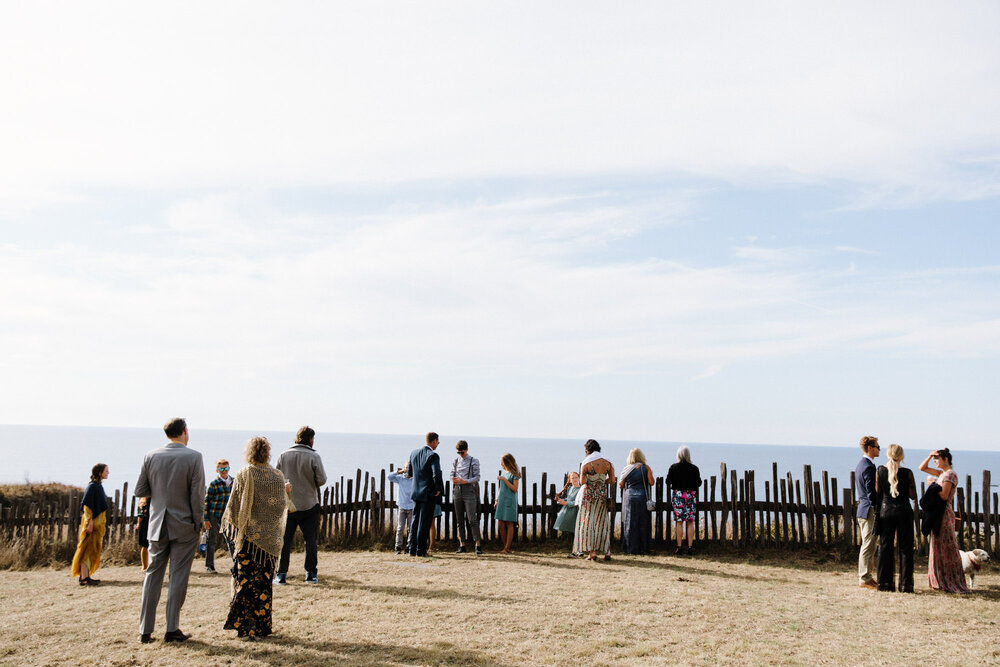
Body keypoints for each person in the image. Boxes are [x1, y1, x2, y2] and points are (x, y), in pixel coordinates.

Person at [136, 418, 206, 644]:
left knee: (152, 575)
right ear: (185, 431)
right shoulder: (194, 457)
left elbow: (141, 490)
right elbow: (197, 496)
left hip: (157, 525)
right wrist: (198, 522)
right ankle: (171, 628)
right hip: (184, 525)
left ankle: (145, 630)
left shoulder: (150, 456)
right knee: (178, 577)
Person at [222, 436, 288, 641]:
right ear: (267, 452)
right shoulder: (278, 476)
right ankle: (262, 627)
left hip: (248, 540)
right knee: (263, 585)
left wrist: (238, 527)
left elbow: (234, 506)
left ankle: (246, 627)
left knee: (245, 582)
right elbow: (280, 507)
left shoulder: (244, 474)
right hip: (269, 542)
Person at [275, 426, 327, 585]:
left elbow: (276, 478)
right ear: (310, 439)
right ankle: (310, 574)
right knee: (310, 540)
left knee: (285, 541)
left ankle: (281, 574)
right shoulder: (313, 456)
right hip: (309, 504)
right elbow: (322, 480)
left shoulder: (283, 455)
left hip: (288, 504)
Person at [919, 448, 970, 593]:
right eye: (934, 459)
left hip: (944, 514)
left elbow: (943, 496)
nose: (935, 461)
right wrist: (929, 455)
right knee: (937, 545)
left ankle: (950, 579)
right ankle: (938, 579)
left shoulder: (950, 475)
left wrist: (932, 485)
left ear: (945, 459)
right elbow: (922, 468)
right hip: (937, 513)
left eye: (937, 458)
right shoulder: (942, 473)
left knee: (947, 546)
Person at [875, 444, 916, 593]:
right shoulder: (907, 473)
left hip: (886, 512)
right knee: (905, 548)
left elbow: (878, 493)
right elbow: (913, 496)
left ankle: (885, 583)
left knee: (885, 547)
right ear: (902, 456)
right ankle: (906, 585)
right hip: (904, 512)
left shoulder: (880, 470)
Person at [573, 439, 615, 561]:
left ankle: (592, 552)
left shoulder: (586, 463)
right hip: (601, 495)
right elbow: (612, 480)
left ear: (587, 450)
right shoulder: (608, 463)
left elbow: (582, 482)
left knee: (589, 522)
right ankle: (607, 552)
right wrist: (601, 482)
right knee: (602, 522)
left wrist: (592, 482)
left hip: (589, 496)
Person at [72, 463, 109, 586]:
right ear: (100, 473)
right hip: (92, 524)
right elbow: (87, 506)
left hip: (98, 524)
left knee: (92, 549)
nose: (108, 473)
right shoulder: (92, 486)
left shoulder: (98, 486)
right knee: (86, 549)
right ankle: (83, 577)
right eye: (106, 471)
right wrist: (89, 522)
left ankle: (86, 575)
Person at [407, 432, 443, 557]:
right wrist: (438, 488)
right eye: (438, 442)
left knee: (415, 521)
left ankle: (412, 549)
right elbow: (436, 473)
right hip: (428, 493)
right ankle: (421, 550)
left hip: (416, 492)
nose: (438, 444)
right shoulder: (433, 455)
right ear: (433, 441)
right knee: (425, 522)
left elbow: (410, 473)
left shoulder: (414, 453)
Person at [854, 435, 880, 589]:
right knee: (868, 544)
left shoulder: (861, 464)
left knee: (869, 543)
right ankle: (864, 577)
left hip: (862, 508)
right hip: (869, 509)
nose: (879, 449)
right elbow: (871, 491)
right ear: (870, 448)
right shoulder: (869, 466)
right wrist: (877, 507)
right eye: (877, 447)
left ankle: (868, 576)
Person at [666, 446, 702, 556]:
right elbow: (699, 483)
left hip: (678, 495)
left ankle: (679, 547)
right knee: (690, 521)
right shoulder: (694, 468)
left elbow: (668, 481)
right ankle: (690, 547)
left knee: (679, 521)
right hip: (690, 495)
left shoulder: (673, 467)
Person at [619, 448, 654, 555]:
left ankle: (631, 548)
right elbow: (651, 482)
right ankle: (644, 547)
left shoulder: (627, 469)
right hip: (642, 497)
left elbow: (621, 484)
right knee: (643, 522)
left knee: (630, 522)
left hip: (630, 498)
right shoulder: (646, 467)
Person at [450, 440, 483, 555]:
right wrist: (453, 479)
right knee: (459, 519)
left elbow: (477, 477)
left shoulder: (474, 461)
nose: (460, 454)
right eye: (458, 452)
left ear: (467, 450)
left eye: (462, 452)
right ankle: (462, 544)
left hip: (469, 490)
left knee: (472, 519)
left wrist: (465, 481)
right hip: (457, 491)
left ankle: (478, 545)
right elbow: (451, 473)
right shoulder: (455, 461)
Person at [202, 459, 234, 574]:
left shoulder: (234, 482)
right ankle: (209, 566)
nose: (224, 471)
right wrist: (206, 519)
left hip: (228, 516)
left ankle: (237, 564)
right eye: (221, 469)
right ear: (217, 470)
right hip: (214, 515)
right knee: (212, 540)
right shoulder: (214, 484)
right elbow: (207, 502)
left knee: (232, 539)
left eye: (226, 468)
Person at [495, 453, 521, 555]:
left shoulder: (514, 474)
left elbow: (515, 489)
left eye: (502, 461)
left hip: (510, 500)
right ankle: (505, 546)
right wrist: (496, 500)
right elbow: (501, 488)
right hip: (501, 499)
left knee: (509, 523)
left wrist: (504, 479)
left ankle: (507, 547)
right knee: (500, 523)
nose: (501, 463)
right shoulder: (503, 471)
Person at [387, 463, 414, 554]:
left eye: (408, 468)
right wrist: (400, 471)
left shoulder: (415, 480)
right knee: (400, 528)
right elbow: (389, 476)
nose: (407, 469)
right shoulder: (400, 478)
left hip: (411, 506)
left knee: (411, 528)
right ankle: (398, 547)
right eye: (406, 467)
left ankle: (409, 546)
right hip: (402, 506)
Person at [553, 471, 582, 556]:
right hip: (570, 513)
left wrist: (566, 503)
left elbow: (577, 502)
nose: (575, 479)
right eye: (572, 478)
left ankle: (578, 550)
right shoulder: (570, 488)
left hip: (576, 512)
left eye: (576, 477)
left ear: (579, 478)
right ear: (570, 480)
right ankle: (574, 551)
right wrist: (561, 500)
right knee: (572, 532)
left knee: (577, 531)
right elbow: (569, 499)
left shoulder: (581, 489)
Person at [136, 497, 149, 571]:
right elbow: (141, 514)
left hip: (148, 524)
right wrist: (138, 523)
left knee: (146, 546)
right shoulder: (145, 502)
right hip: (146, 525)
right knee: (145, 545)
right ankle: (144, 566)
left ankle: (146, 565)